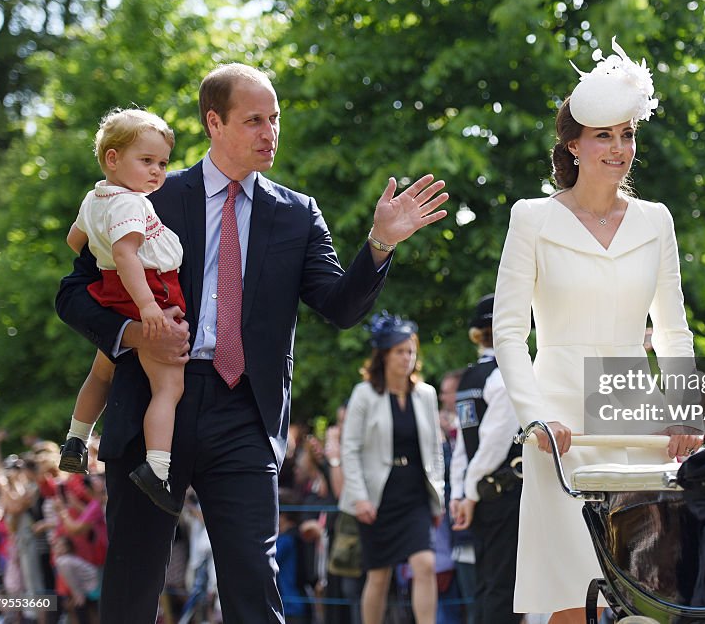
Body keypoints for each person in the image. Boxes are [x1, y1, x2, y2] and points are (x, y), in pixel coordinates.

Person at [55, 62, 448, 624]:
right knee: (132, 586)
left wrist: (380, 244)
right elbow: (73, 293)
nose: (271, 133)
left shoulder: (296, 214)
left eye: (276, 119)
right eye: (255, 120)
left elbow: (340, 308)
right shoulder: (152, 196)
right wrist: (135, 333)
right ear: (214, 123)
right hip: (151, 405)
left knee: (254, 588)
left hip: (246, 412)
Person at [492, 37, 699, 622]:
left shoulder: (657, 221)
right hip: (558, 420)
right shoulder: (531, 218)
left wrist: (684, 409)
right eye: (604, 134)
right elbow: (508, 331)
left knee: (650, 592)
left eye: (627, 133)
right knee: (567, 595)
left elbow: (675, 332)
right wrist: (534, 416)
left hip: (636, 413)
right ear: (573, 144)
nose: (618, 147)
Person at [58, 108, 185, 517]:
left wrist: (102, 254)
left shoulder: (96, 197)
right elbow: (125, 253)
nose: (157, 172)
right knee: (168, 385)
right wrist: (148, 306)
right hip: (148, 293)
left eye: (162, 163)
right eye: (146, 161)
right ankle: (158, 468)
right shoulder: (131, 203)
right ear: (113, 159)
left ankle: (77, 438)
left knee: (102, 371)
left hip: (111, 293)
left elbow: (73, 239)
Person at [338, 312, 445, 624]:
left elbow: (435, 451)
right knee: (379, 574)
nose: (407, 357)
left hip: (415, 493)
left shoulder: (426, 394)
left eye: (411, 351)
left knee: (425, 564)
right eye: (400, 351)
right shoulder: (364, 393)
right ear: (383, 355)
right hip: (376, 496)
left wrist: (437, 496)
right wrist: (359, 497)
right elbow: (350, 448)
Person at [450, 294, 522, 624]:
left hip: (477, 497)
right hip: (502, 493)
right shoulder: (506, 375)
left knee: (483, 582)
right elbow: (493, 442)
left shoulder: (466, 380)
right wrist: (471, 492)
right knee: (503, 587)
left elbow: (463, 446)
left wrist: (461, 494)